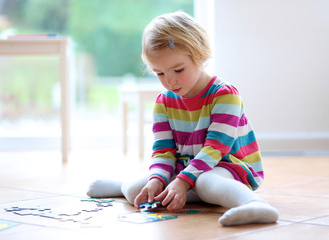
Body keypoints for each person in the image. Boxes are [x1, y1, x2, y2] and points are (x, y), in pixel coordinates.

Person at [87, 11, 279, 226]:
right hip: (185, 169)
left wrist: (183, 180)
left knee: (206, 182)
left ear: (199, 55)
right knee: (136, 190)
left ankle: (254, 204)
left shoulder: (225, 95)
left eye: (178, 70)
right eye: (159, 73)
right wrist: (157, 179)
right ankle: (121, 185)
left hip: (229, 166)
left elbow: (216, 149)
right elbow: (163, 151)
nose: (169, 81)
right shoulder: (163, 102)